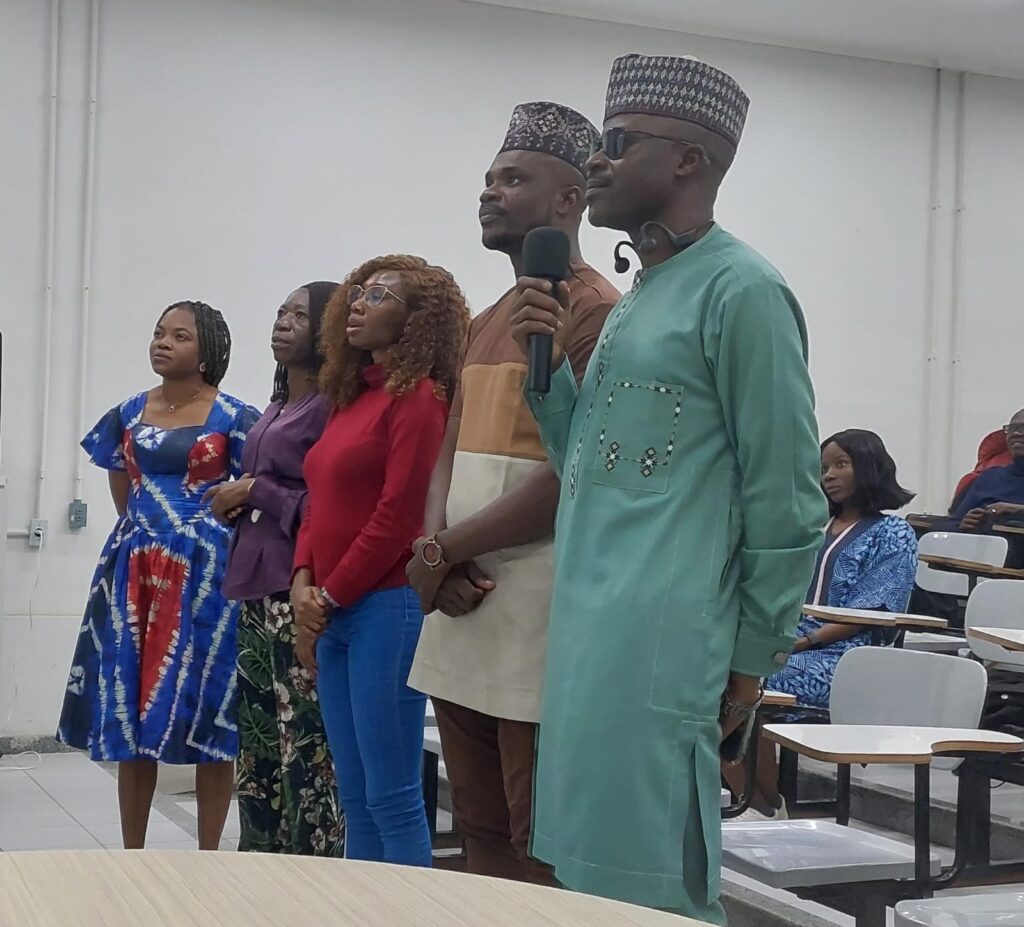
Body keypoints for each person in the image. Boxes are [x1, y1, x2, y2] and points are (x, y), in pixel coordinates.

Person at [508, 54, 826, 923]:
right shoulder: (643, 295)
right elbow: (590, 470)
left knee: (649, 892)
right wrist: (549, 378)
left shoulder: (743, 289)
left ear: (688, 160)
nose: (594, 160)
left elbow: (789, 497)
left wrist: (750, 659)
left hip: (664, 642)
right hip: (588, 634)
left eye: (617, 143)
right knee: (586, 884)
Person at [406, 102, 619, 884]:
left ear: (568, 199)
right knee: (478, 823)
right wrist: (437, 553)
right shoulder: (487, 317)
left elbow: (574, 473)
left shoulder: (597, 310)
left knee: (538, 835)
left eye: (513, 178)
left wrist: (443, 553)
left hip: (536, 600)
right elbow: (449, 450)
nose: (490, 192)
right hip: (462, 596)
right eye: (490, 178)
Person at [57, 301, 260, 850]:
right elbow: (123, 484)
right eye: (158, 332)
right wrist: (148, 536)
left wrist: (195, 532)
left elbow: (256, 490)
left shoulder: (236, 417)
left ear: (207, 352)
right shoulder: (128, 413)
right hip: (135, 570)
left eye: (179, 336)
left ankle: (209, 853)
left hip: (208, 575)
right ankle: (133, 853)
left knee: (209, 707)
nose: (162, 342)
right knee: (133, 706)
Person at [290, 255, 469, 867]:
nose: (359, 303)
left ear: (417, 319)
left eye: (379, 295)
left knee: (392, 799)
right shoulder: (350, 397)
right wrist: (303, 582)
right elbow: (317, 498)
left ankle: (406, 906)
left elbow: (399, 516)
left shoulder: (418, 400)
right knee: (356, 796)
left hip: (386, 609)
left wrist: (328, 596)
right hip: (334, 609)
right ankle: (359, 905)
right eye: (358, 292)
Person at [724, 430, 918, 818]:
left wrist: (804, 641)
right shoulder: (814, 529)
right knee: (719, 674)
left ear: (869, 466)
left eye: (841, 464)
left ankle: (761, 807)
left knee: (751, 679)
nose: (828, 475)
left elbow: (872, 611)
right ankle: (764, 805)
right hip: (792, 642)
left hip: (847, 658)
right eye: (823, 467)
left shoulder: (894, 533)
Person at [216, 281, 345, 856]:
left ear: (327, 330)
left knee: (305, 746)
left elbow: (325, 501)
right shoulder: (277, 405)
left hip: (296, 588)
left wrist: (254, 490)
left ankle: (310, 868)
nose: (283, 322)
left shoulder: (330, 407)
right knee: (259, 743)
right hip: (254, 587)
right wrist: (233, 501)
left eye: (300, 315)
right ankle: (259, 863)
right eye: (280, 312)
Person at [951, 410, 1024, 532]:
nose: (1016, 433)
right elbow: (953, 522)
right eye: (1012, 428)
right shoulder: (989, 477)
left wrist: (1015, 509)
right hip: (985, 541)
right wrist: (964, 523)